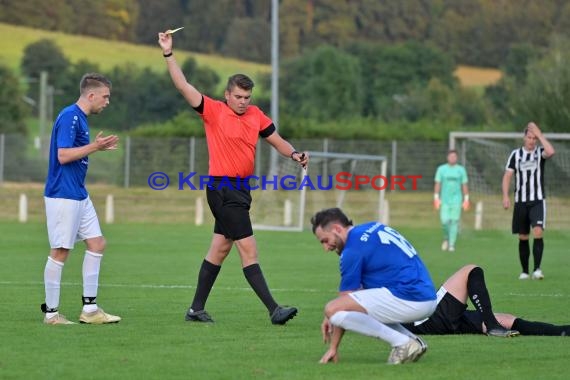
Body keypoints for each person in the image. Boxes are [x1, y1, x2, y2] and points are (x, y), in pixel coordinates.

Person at [158, 30, 308, 325]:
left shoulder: (255, 115)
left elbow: (276, 140)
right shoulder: (212, 110)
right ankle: (274, 310)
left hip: (241, 190)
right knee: (248, 249)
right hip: (222, 190)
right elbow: (183, 86)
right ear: (227, 94)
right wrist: (168, 53)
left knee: (220, 248)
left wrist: (294, 154)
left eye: (246, 97)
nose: (242, 101)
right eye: (237, 96)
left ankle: (195, 310)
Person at [42, 73, 121, 325]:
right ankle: (51, 314)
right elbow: (63, 155)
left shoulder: (82, 119)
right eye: (105, 96)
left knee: (97, 244)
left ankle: (90, 310)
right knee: (60, 251)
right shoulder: (70, 116)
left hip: (79, 193)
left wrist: (94, 148)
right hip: (63, 194)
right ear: (91, 95)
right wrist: (95, 147)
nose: (107, 102)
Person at [310, 208, 437, 365]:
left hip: (410, 297)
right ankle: (413, 341)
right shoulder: (373, 226)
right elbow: (357, 297)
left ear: (337, 229)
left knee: (332, 310)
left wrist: (333, 346)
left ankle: (403, 343)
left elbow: (342, 304)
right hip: (427, 295)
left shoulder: (352, 250)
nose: (326, 248)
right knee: (345, 308)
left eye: (325, 240)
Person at [403, 264, 569, 336]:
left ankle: (563, 331)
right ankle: (492, 327)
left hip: (429, 319)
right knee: (471, 270)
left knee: (506, 319)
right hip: (426, 318)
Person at [502, 122, 555, 280]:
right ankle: (525, 271)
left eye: (534, 138)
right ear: (524, 138)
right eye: (529, 137)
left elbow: (551, 151)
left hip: (537, 200)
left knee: (538, 231)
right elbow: (507, 176)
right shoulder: (516, 155)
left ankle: (537, 269)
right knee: (523, 236)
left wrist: (540, 134)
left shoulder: (540, 153)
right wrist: (505, 196)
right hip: (520, 202)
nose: (532, 140)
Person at [433, 149, 470, 252]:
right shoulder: (441, 169)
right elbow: (438, 183)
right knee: (444, 221)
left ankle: (451, 244)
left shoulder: (461, 170)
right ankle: (446, 238)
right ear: (447, 157)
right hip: (444, 201)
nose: (452, 158)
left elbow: (464, 184)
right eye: (451, 156)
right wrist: (436, 197)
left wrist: (466, 199)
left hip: (457, 201)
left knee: (454, 221)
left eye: (454, 156)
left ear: (456, 158)